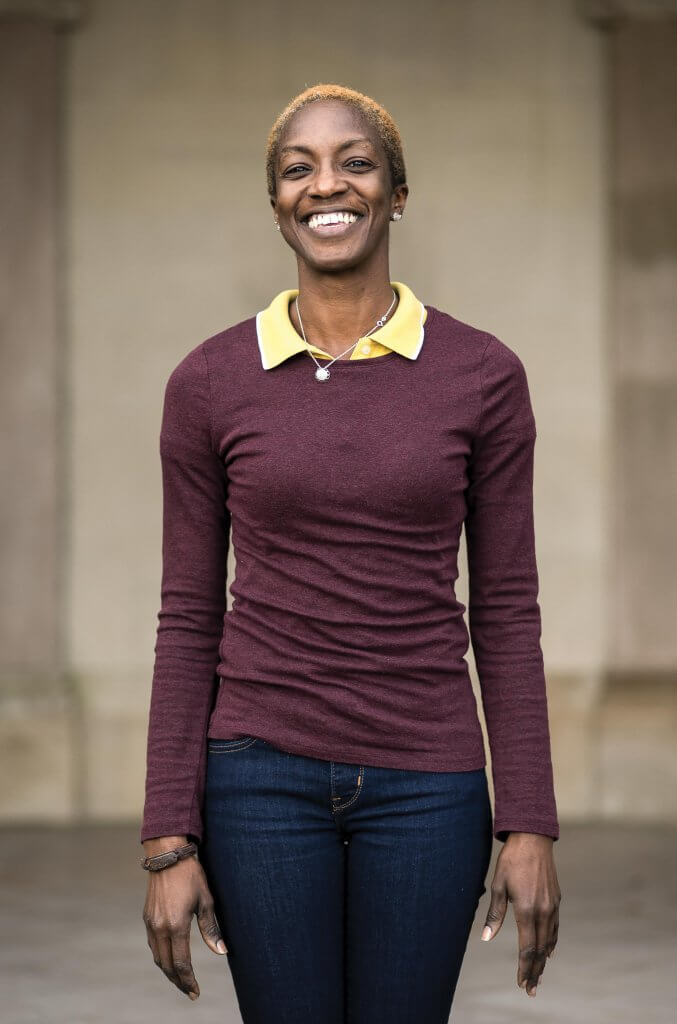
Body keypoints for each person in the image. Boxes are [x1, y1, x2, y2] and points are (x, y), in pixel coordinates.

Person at [140, 82, 561, 1023]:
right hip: (256, 776)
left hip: (428, 781)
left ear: (397, 193)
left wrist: (528, 820)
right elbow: (187, 615)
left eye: (354, 162)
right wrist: (168, 836)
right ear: (277, 205)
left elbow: (504, 609)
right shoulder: (209, 381)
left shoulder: (482, 375)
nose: (325, 184)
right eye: (298, 169)